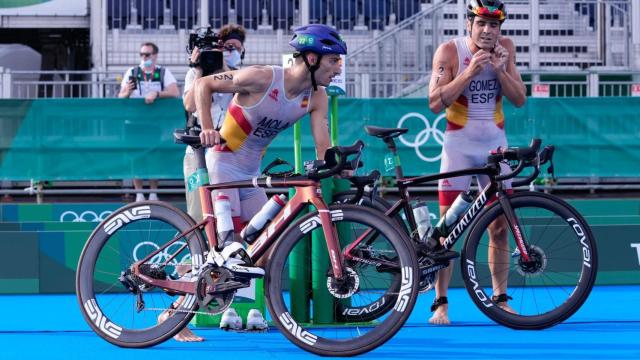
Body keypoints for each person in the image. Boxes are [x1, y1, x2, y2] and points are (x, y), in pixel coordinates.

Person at [193, 23, 345, 330]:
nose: (338, 70)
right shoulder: (263, 77)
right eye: (333, 61)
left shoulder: (317, 97)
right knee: (229, 243)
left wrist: (338, 164)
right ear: (312, 59)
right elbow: (203, 86)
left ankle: (253, 310)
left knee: (262, 246)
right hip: (223, 160)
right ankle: (225, 309)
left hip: (251, 172)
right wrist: (208, 126)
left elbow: (322, 147)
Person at [427, 0, 526, 325]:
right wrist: (469, 73)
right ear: (469, 23)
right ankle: (441, 303)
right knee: (446, 228)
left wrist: (499, 70)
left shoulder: (506, 49)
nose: (487, 31)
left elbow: (519, 99)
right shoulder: (450, 52)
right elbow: (433, 103)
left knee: (500, 227)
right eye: (481, 24)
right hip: (458, 146)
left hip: (495, 146)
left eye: (494, 25)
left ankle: (500, 299)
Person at [162, 24, 247, 342]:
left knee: (228, 239)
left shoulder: (243, 75)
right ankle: (174, 316)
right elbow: (188, 104)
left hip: (232, 160)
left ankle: (228, 307)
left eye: (235, 46)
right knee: (202, 231)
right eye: (224, 46)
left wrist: (227, 68)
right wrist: (199, 67)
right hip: (199, 156)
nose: (228, 51)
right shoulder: (198, 72)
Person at [118, 42, 180, 202]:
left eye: (147, 54)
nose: (144, 57)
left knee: (154, 158)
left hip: (154, 124)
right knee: (136, 158)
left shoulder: (163, 72)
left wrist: (157, 93)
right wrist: (128, 91)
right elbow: (120, 97)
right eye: (142, 54)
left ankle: (153, 192)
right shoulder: (132, 72)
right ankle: (139, 193)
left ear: (154, 55)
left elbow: (174, 92)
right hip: (132, 123)